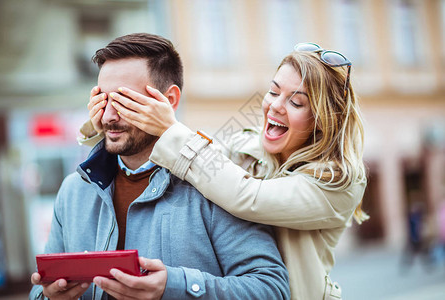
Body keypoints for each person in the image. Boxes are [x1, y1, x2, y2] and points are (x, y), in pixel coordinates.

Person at [82, 42, 369, 299]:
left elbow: (247, 196)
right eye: (273, 91)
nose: (275, 107)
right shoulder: (249, 143)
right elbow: (198, 158)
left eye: (296, 102)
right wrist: (109, 126)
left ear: (323, 119)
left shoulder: (337, 181)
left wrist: (170, 128)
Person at [29, 33, 291, 300]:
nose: (108, 116)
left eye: (124, 101)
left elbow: (271, 289)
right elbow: (38, 291)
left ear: (170, 100)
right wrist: (49, 295)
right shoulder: (73, 191)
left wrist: (175, 286)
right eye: (103, 100)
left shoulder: (218, 183)